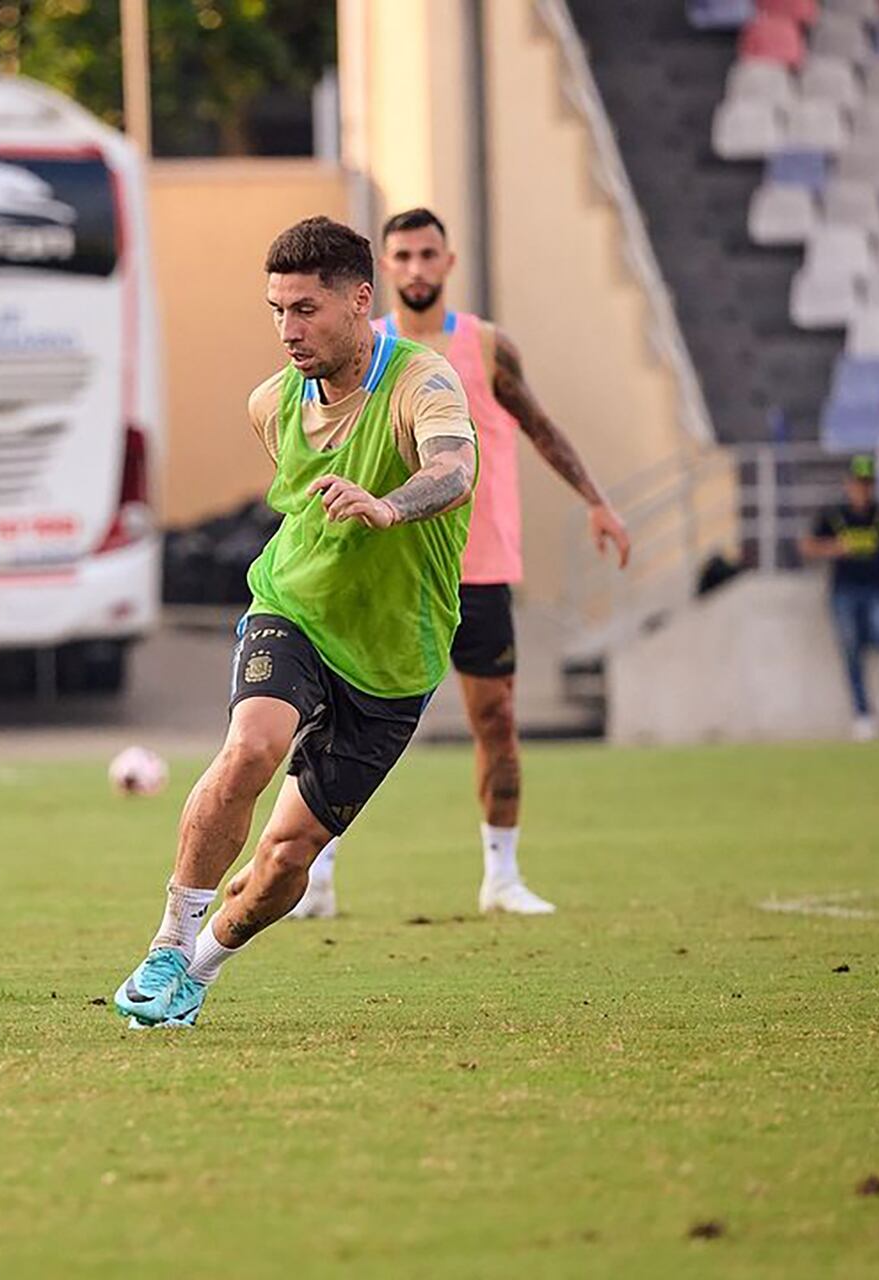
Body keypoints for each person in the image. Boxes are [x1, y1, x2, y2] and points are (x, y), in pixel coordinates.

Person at [110, 216, 477, 1029]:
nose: (288, 330)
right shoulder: (271, 404)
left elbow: (455, 469)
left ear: (359, 300)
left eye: (306, 309)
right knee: (252, 745)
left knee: (284, 861)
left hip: (395, 657)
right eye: (277, 310)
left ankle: (199, 974)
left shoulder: (424, 382)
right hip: (293, 607)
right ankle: (170, 942)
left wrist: (387, 504)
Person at [293, 207, 633, 920]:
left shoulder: (486, 346)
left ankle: (501, 876)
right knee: (333, 722)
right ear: (383, 270)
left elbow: (539, 425)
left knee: (497, 720)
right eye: (402, 257)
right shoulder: (360, 350)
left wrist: (597, 502)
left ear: (448, 263)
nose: (416, 269)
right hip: (377, 566)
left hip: (474, 567)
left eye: (427, 255)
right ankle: (312, 878)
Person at [802, 454, 879, 740]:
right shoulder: (834, 516)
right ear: (848, 484)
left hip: (876, 592)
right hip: (843, 592)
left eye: (868, 483)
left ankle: (860, 636)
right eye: (858, 483)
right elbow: (807, 546)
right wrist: (833, 548)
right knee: (850, 653)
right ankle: (863, 715)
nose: (863, 489)